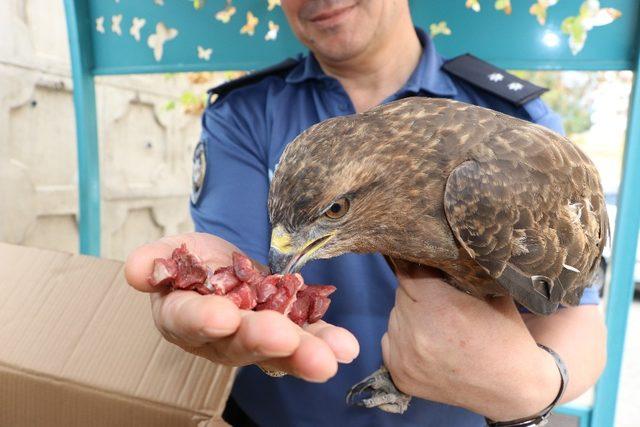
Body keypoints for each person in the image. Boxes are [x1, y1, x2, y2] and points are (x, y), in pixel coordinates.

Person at [125, 1, 607, 426]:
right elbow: (250, 265)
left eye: (334, 210)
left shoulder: (519, 140)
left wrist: (525, 391)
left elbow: (577, 314)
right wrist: (227, 289)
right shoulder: (246, 112)